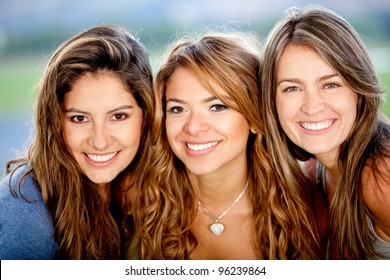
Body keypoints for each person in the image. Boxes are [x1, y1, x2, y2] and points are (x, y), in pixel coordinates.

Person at [133, 30, 326, 259]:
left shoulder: (307, 211)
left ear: (254, 118)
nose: (194, 127)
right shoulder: (142, 204)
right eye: (178, 109)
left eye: (217, 107)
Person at [0, 25, 155, 259]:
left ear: (146, 115)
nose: (100, 142)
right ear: (54, 121)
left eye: (118, 116)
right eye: (79, 118)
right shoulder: (25, 209)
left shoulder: (140, 189)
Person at [261, 6, 390, 259]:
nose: (312, 107)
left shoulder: (381, 177)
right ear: (271, 100)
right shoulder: (313, 171)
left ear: (359, 89)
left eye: (330, 84)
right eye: (292, 88)